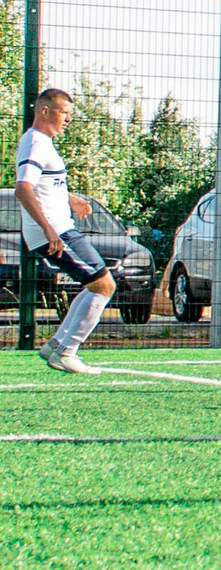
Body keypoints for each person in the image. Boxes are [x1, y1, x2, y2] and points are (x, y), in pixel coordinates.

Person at [16, 86, 111, 374]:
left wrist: (70, 198)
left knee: (95, 284)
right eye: (64, 113)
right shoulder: (36, 142)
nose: (68, 119)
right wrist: (48, 230)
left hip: (60, 227)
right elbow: (23, 188)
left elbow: (42, 184)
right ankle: (67, 351)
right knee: (104, 285)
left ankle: (57, 345)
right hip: (56, 231)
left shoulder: (42, 142)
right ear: (45, 111)